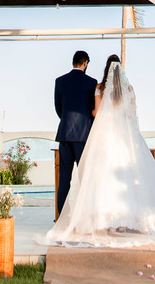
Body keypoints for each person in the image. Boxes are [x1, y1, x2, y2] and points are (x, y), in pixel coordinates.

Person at [44, 56, 155, 246]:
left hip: (80, 134)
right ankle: (125, 218)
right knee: (121, 177)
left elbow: (86, 111)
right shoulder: (126, 89)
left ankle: (68, 218)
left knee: (77, 179)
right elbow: (132, 113)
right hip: (119, 136)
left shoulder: (94, 86)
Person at [53, 49, 98, 216]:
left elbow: (59, 109)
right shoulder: (92, 82)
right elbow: (94, 109)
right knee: (85, 179)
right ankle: (85, 217)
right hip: (83, 136)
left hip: (64, 135)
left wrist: (66, 122)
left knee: (64, 179)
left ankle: (61, 217)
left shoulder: (60, 81)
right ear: (85, 63)